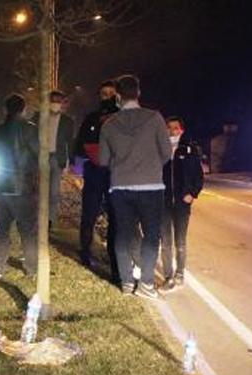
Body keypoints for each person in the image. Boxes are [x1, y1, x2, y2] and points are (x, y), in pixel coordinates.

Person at [99, 74, 172, 299]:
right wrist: (149, 165)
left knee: (123, 234)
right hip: (151, 186)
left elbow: (103, 160)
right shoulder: (155, 118)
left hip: (121, 187)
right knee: (151, 235)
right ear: (138, 93)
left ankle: (127, 282)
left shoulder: (109, 124)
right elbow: (167, 153)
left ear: (118, 96)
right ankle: (147, 284)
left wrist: (122, 165)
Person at [0, 93, 39, 280]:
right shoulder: (31, 130)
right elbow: (40, 156)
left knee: (1, 227)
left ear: (4, 110)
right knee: (28, 229)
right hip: (23, 187)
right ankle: (31, 268)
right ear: (24, 109)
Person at [74, 80, 121, 279]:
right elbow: (79, 144)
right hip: (93, 174)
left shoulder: (123, 118)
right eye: (104, 93)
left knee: (116, 219)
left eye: (111, 93)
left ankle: (114, 258)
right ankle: (86, 254)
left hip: (116, 175)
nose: (107, 96)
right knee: (88, 216)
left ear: (117, 96)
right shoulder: (91, 118)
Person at [160, 116, 203, 291]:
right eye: (169, 128)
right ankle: (168, 276)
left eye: (175, 128)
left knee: (180, 241)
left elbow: (198, 176)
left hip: (181, 204)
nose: (172, 131)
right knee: (165, 242)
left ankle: (180, 273)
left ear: (181, 130)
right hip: (163, 202)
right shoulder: (160, 149)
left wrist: (192, 194)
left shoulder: (189, 150)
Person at [32, 90, 75, 227]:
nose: (55, 104)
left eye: (58, 101)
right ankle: (39, 218)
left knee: (54, 192)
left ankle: (50, 220)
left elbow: (70, 141)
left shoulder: (67, 121)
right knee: (40, 190)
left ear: (62, 103)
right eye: (53, 101)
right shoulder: (39, 117)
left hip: (57, 157)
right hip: (41, 157)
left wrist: (71, 161)